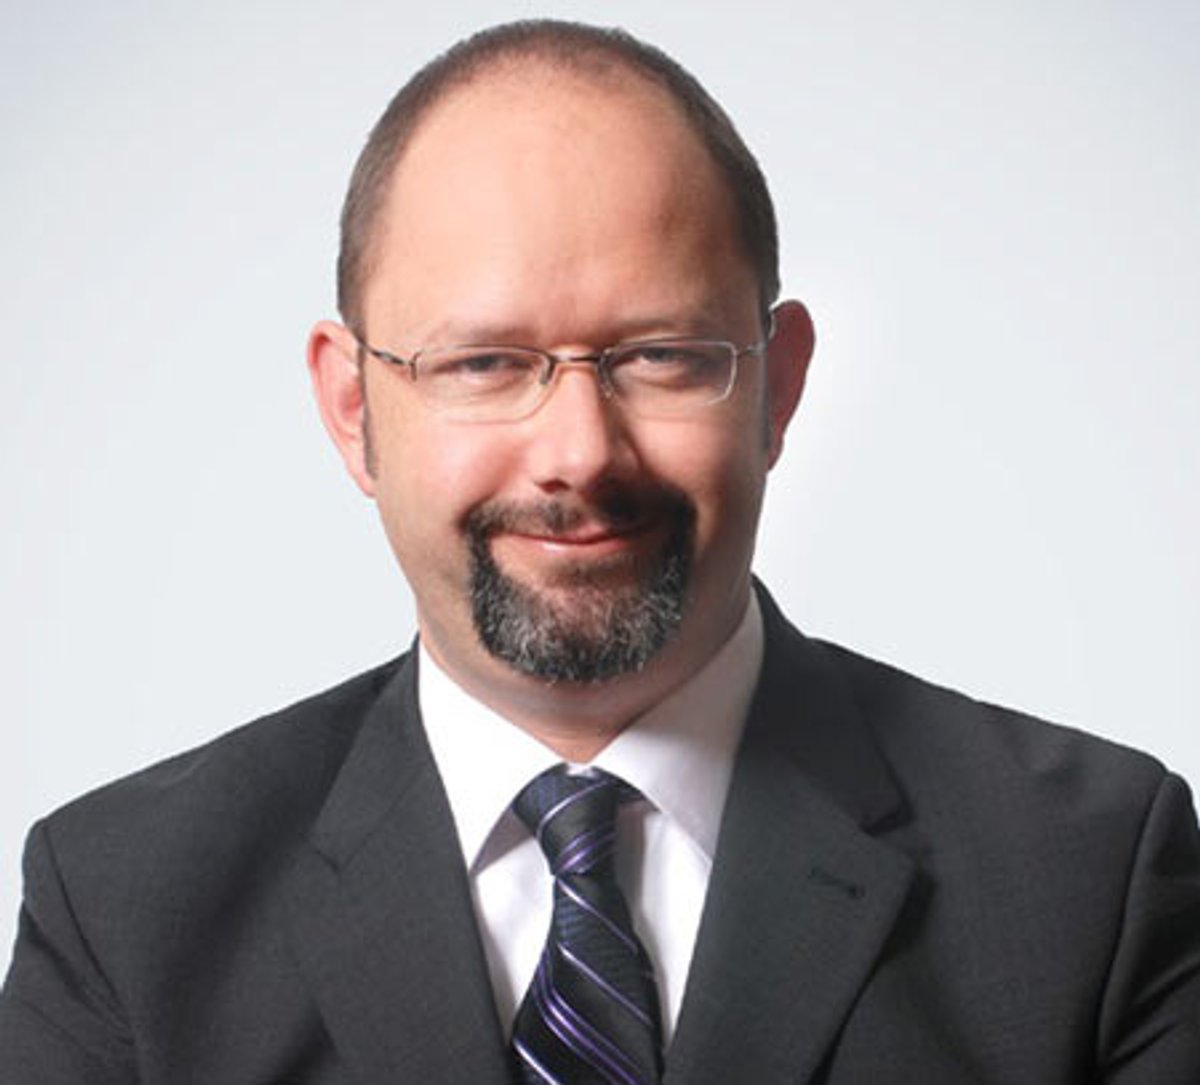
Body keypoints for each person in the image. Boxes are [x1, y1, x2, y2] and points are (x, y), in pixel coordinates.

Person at [1, 17, 1197, 1084]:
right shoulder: (123, 912)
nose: (578, 452)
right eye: (484, 363)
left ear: (778, 387)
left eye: (662, 355)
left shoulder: (1090, 878)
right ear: (353, 408)